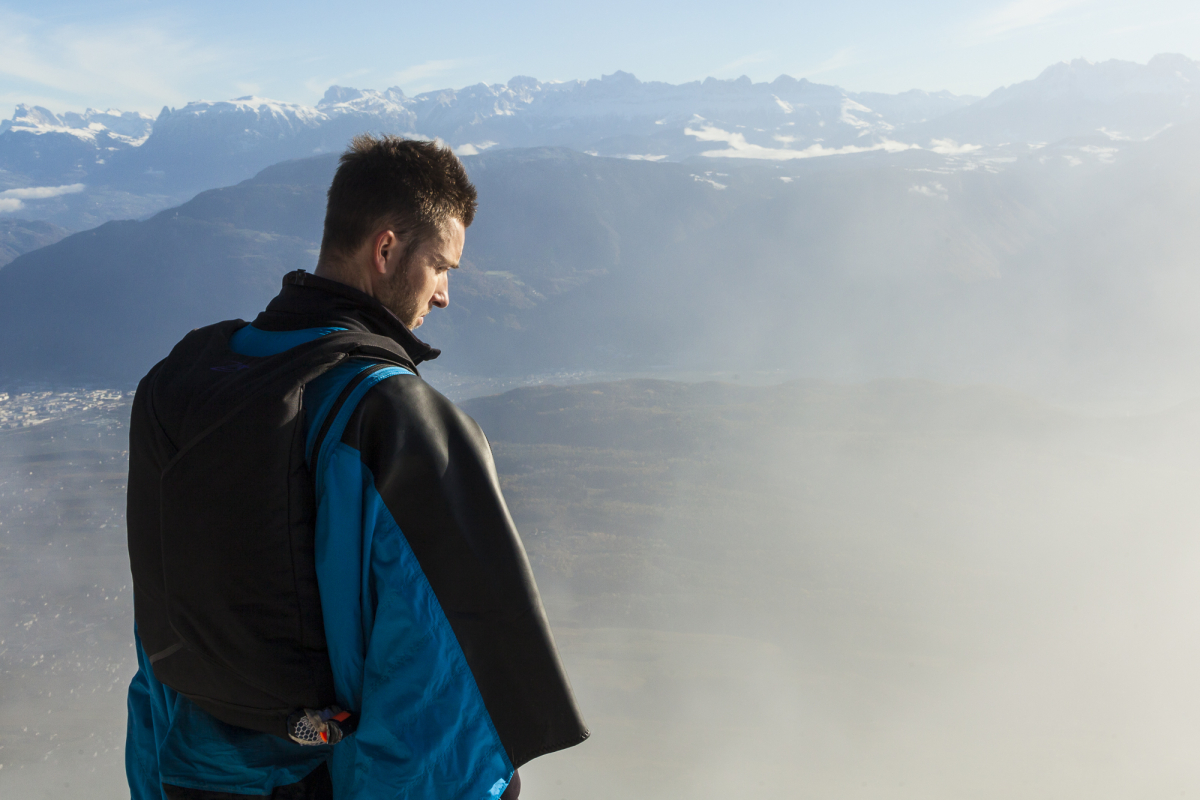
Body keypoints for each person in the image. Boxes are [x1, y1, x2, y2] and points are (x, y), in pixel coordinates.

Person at [124, 135, 588, 800]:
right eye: (441, 266)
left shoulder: (176, 384)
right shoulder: (397, 422)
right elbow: (434, 703)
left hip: (180, 777)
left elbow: (158, 638)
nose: (445, 295)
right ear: (388, 249)